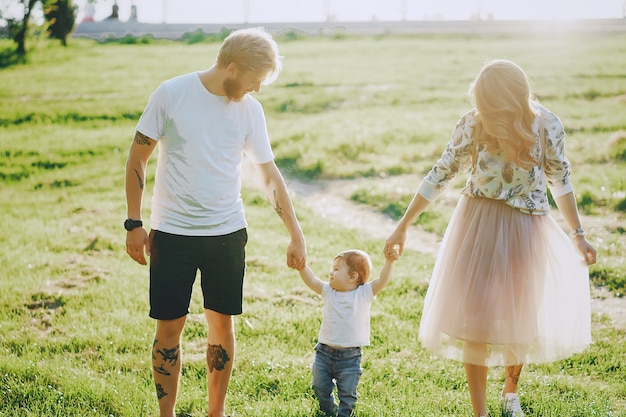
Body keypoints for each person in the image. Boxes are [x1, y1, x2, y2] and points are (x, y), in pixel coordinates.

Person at [384, 59, 596, 417]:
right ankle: (480, 412)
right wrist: (403, 223)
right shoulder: (474, 122)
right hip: (478, 224)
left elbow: (560, 180)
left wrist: (578, 234)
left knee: (522, 315)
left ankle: (510, 393)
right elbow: (442, 171)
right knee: (477, 317)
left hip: (528, 227)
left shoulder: (546, 123)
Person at [124, 27, 306, 417]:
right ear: (233, 67)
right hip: (172, 233)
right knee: (169, 330)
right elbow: (137, 158)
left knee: (222, 327)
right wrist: (133, 223)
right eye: (255, 80)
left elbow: (270, 175)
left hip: (227, 234)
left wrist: (295, 233)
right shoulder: (172, 94)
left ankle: (215, 413)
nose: (256, 89)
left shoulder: (249, 111)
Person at [297, 248, 399, 417]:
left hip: (350, 358)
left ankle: (344, 414)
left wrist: (390, 262)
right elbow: (313, 281)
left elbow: (382, 280)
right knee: (319, 386)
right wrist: (302, 268)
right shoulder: (329, 292)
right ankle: (327, 407)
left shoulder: (363, 294)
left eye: (336, 269)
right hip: (323, 353)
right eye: (332, 268)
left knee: (347, 393)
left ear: (353, 276)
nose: (330, 272)